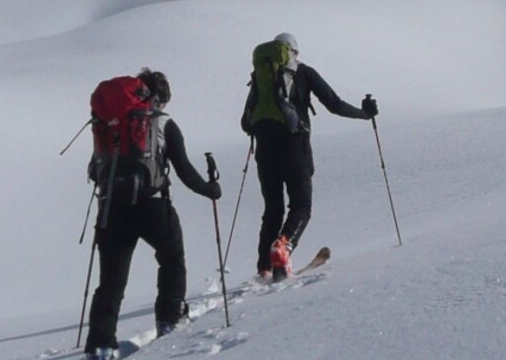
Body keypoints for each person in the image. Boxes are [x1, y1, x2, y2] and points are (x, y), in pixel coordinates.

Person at [85, 69, 222, 360]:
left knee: (110, 283)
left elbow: (93, 170)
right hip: (153, 205)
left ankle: (100, 345)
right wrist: (210, 189)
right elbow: (184, 171)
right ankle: (169, 319)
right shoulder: (163, 123)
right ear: (157, 98)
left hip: (112, 210)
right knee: (172, 259)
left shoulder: (108, 124)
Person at [240, 33, 377, 280]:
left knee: (272, 210)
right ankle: (283, 246)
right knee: (302, 205)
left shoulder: (261, 78)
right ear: (295, 52)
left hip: (264, 151)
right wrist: (365, 114)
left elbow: (246, 123)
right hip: (295, 148)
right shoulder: (303, 73)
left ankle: (264, 267)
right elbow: (335, 104)